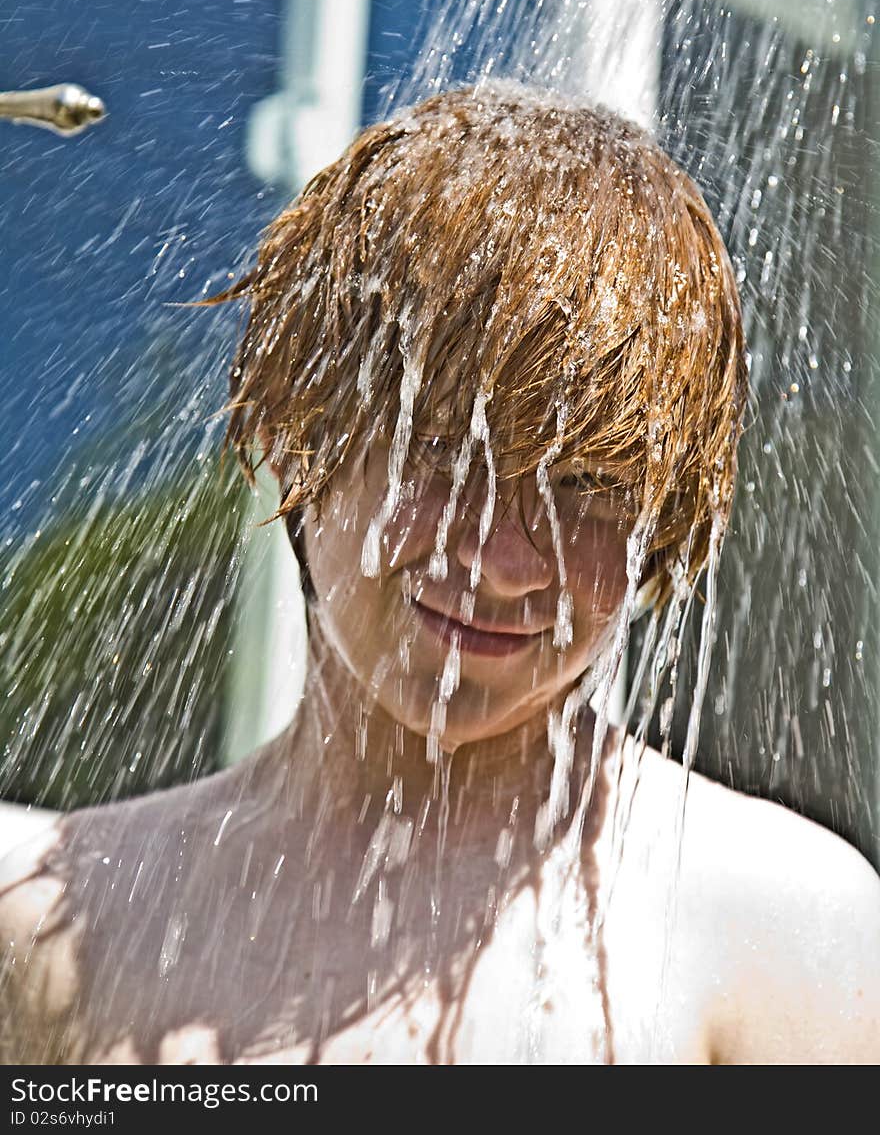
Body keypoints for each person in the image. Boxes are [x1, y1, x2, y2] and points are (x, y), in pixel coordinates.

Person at [0, 83, 877, 1065]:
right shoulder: (59, 922)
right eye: (446, 455)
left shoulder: (780, 930)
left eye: (587, 486)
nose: (504, 561)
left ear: (658, 523)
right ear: (300, 433)